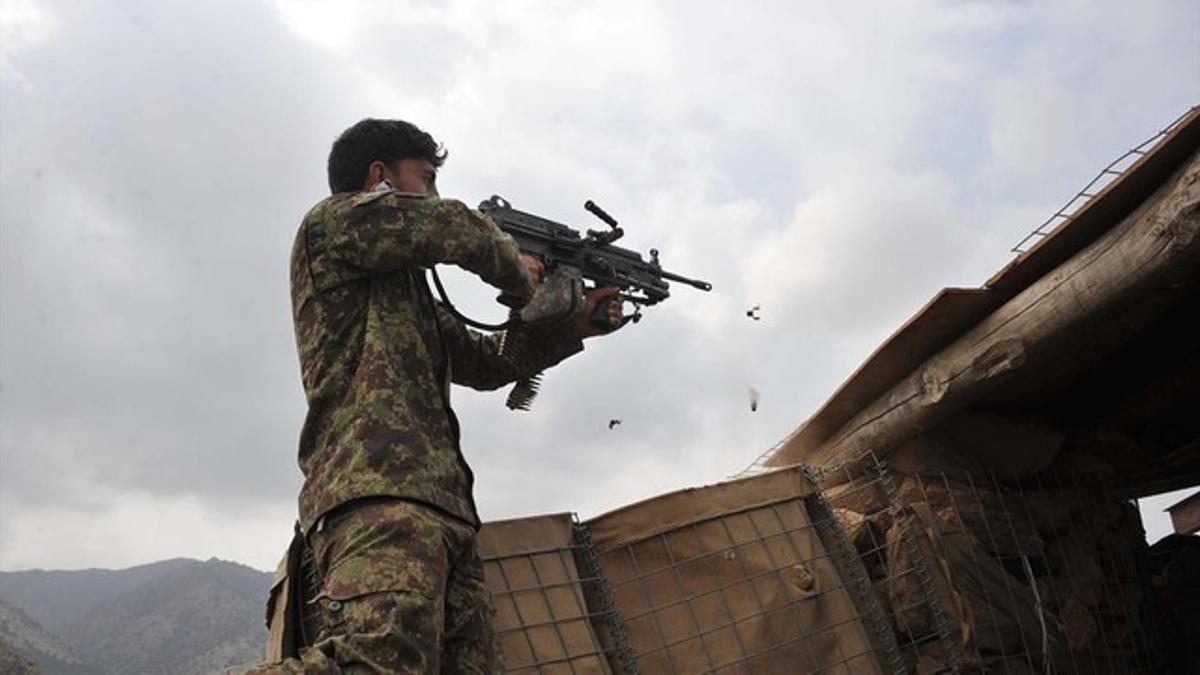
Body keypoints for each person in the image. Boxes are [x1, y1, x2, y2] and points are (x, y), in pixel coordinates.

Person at [253, 119, 623, 674]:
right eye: (426, 178)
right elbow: (456, 227)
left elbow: (487, 361)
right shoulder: (329, 227)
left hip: (445, 508)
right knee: (375, 664)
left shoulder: (409, 291)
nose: (436, 195)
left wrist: (573, 323)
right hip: (377, 494)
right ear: (379, 176)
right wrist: (521, 275)